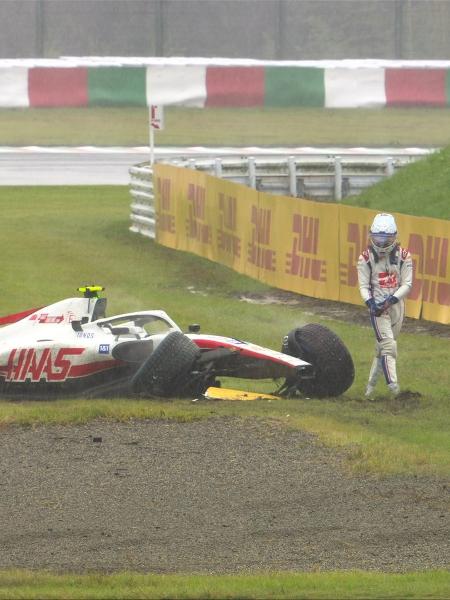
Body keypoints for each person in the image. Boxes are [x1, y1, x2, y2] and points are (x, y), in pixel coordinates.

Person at [357, 213, 413, 397]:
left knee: (382, 349)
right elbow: (364, 286)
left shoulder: (404, 256)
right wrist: (372, 304)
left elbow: (407, 284)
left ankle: (369, 389)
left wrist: (391, 300)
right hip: (378, 310)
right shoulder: (365, 258)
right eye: (377, 238)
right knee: (389, 347)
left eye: (385, 238)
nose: (381, 243)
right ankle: (395, 390)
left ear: (394, 237)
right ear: (371, 236)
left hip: (397, 307)